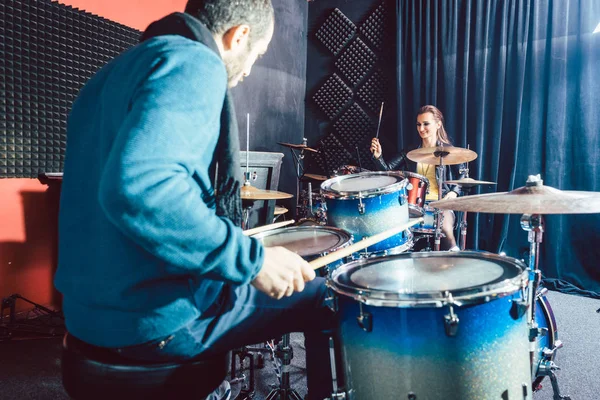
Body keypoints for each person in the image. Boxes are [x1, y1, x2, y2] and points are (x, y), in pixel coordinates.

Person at [54, 1, 335, 399]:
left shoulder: (111, 74)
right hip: (153, 322)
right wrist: (251, 260)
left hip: (86, 317)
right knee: (326, 297)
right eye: (255, 54)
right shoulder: (193, 63)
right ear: (237, 36)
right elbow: (142, 189)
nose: (250, 68)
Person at [370, 105, 465, 251]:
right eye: (419, 124)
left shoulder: (449, 151)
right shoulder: (410, 150)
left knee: (445, 227)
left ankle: (454, 256)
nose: (421, 128)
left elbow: (463, 176)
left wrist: (453, 193)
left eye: (426, 124)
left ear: (438, 124)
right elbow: (388, 172)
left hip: (441, 203)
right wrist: (378, 157)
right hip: (414, 204)